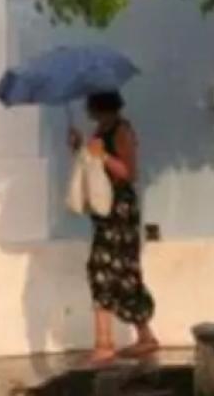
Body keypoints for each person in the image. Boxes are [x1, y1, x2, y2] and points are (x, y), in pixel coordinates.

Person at [68, 90, 158, 364]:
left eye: (90, 105)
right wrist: (80, 147)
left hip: (120, 209)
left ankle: (104, 343)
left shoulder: (121, 131)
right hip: (105, 210)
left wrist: (104, 156)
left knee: (102, 269)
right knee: (122, 270)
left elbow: (129, 172)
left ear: (100, 106)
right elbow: (94, 166)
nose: (86, 109)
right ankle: (145, 336)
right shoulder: (101, 130)